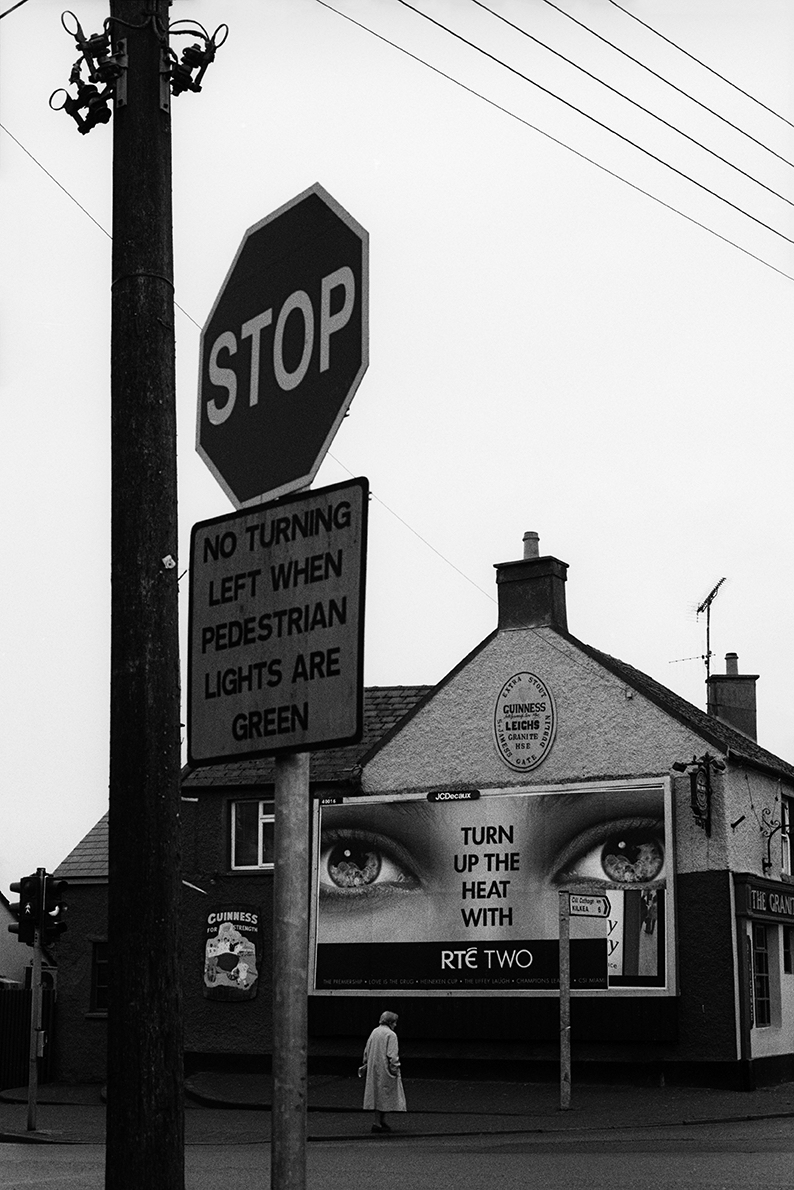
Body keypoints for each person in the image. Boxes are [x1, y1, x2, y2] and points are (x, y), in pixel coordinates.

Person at [361, 1011, 406, 1132]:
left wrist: (366, 1063)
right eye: (395, 1022)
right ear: (390, 1022)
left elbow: (367, 1049)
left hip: (374, 1067)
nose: (396, 1025)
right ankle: (378, 1122)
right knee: (385, 1094)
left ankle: (380, 1121)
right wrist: (395, 1068)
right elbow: (392, 1054)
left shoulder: (375, 1032)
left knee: (377, 1094)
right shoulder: (391, 1035)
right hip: (385, 1068)